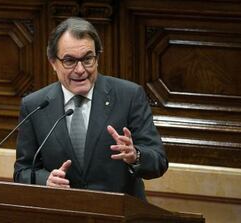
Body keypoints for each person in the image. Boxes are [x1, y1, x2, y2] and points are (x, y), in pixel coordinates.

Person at [13, 17, 168, 201]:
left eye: (87, 59)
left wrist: (135, 155)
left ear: (97, 58)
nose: (80, 69)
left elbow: (159, 161)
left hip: (118, 213)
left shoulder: (129, 96)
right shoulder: (35, 105)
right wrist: (45, 179)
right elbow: (22, 171)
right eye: (70, 61)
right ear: (53, 63)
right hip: (62, 212)